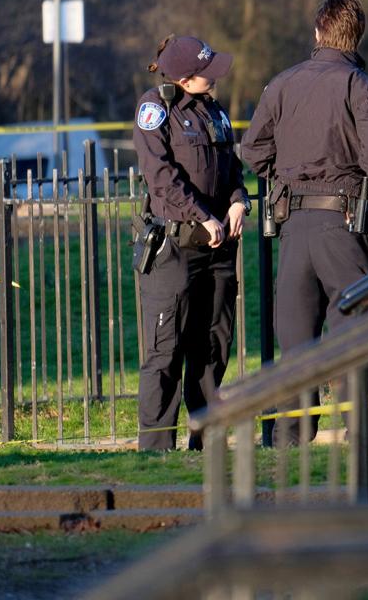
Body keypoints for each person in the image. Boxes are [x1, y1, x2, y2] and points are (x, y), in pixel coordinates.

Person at [241, 0, 368, 446]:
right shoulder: (359, 85)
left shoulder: (282, 83)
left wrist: (285, 177)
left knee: (295, 331)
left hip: (291, 222)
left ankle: (291, 433)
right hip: (343, 222)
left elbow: (253, 150)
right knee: (358, 323)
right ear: (357, 36)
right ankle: (366, 430)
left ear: (318, 33)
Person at [132, 35, 250, 451]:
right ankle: (155, 450)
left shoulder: (214, 111)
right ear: (184, 77)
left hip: (219, 249)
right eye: (207, 72)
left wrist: (239, 202)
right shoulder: (156, 109)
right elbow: (160, 175)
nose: (215, 78)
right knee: (166, 351)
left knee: (213, 347)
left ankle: (205, 440)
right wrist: (201, 215)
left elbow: (232, 167)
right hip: (175, 247)